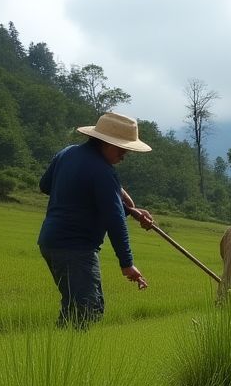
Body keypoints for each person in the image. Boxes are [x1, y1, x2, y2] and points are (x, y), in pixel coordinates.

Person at [37, 111, 154, 327]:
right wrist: (127, 263)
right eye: (121, 149)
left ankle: (63, 352)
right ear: (107, 143)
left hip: (50, 242)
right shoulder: (102, 171)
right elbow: (114, 219)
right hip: (75, 248)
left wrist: (132, 209)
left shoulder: (67, 153)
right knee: (86, 311)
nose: (123, 156)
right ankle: (66, 356)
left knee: (79, 307)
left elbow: (45, 186)